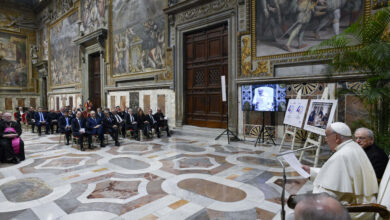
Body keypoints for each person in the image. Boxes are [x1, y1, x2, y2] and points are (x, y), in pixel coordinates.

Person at [302, 122, 378, 220]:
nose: (326, 139)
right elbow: (339, 175)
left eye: (327, 136)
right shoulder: (353, 147)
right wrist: (311, 171)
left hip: (354, 211)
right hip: (364, 208)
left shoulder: (342, 155)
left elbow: (326, 196)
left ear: (337, 138)